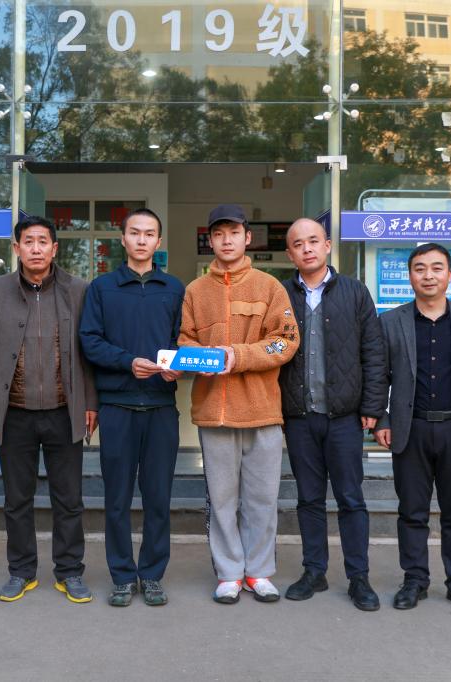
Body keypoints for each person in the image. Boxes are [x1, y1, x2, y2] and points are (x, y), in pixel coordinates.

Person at [179, 204, 300, 604]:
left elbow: (286, 341)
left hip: (262, 412)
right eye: (219, 234)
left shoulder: (270, 287)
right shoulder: (196, 291)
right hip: (214, 413)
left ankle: (259, 572)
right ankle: (229, 572)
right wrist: (193, 358)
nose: (226, 240)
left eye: (234, 233)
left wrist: (239, 356)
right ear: (210, 240)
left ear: (248, 238)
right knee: (222, 500)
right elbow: (185, 340)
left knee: (263, 499)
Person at [0, 216, 99, 604]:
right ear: (16, 248)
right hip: (15, 412)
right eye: (28, 241)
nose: (36, 248)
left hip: (65, 410)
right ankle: (21, 571)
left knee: (69, 499)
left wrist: (90, 403)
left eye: (43, 241)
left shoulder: (78, 290)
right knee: (17, 499)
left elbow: (88, 353)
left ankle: (70, 571)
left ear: (54, 248)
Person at [373, 242, 451, 616]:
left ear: (449, 274)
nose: (428, 275)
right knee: (411, 512)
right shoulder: (390, 321)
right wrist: (381, 419)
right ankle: (414, 581)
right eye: (420, 268)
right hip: (409, 430)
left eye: (437, 268)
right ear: (410, 276)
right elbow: (378, 376)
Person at [278, 218, 389, 611]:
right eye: (298, 244)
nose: (306, 249)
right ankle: (314, 571)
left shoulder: (355, 292)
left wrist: (373, 407)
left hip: (344, 417)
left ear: (327, 245)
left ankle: (359, 577)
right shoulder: (279, 294)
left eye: (313, 241)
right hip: (298, 416)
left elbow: (374, 353)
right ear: (289, 253)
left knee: (350, 498)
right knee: (308, 498)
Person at [79, 208, 185, 607]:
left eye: (149, 234)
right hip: (117, 408)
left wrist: (179, 366)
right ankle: (122, 576)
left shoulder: (174, 288)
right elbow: (89, 340)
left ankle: (152, 575)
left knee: (158, 499)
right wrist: (127, 362)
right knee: (117, 500)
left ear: (159, 241)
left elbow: (183, 340)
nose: (142, 240)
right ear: (122, 239)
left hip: (160, 408)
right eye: (135, 233)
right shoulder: (102, 288)